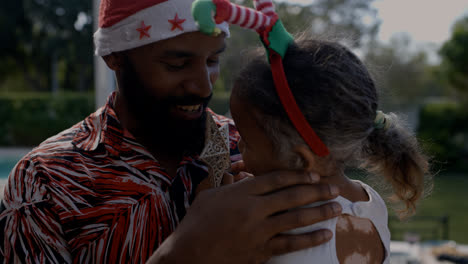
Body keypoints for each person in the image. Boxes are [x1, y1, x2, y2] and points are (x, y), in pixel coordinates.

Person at [0, 0, 343, 263]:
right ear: (115, 56)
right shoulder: (45, 181)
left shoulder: (255, 148)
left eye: (213, 60)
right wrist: (183, 255)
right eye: (176, 64)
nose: (202, 84)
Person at [229, 35, 432, 263]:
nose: (237, 144)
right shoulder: (371, 202)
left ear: (300, 160)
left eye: (246, 139)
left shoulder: (277, 230)